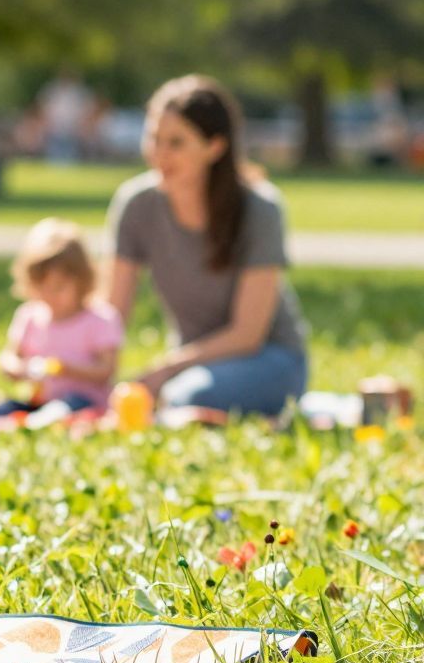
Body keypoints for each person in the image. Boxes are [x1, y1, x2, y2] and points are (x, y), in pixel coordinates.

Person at [107, 76, 309, 416]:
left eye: (176, 143)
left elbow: (248, 334)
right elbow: (112, 315)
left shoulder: (259, 210)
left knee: (188, 396)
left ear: (215, 147)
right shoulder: (136, 205)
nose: (159, 154)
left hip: (271, 359)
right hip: (192, 365)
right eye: (154, 138)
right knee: (169, 396)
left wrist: (166, 369)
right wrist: (95, 379)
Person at [0, 219, 123, 416]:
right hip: (41, 400)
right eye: (41, 287)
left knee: (64, 409)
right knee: (2, 411)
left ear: (81, 281)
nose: (49, 295)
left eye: (58, 288)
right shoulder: (30, 316)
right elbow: (9, 357)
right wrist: (20, 368)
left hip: (85, 403)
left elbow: (106, 370)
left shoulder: (99, 319)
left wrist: (66, 369)